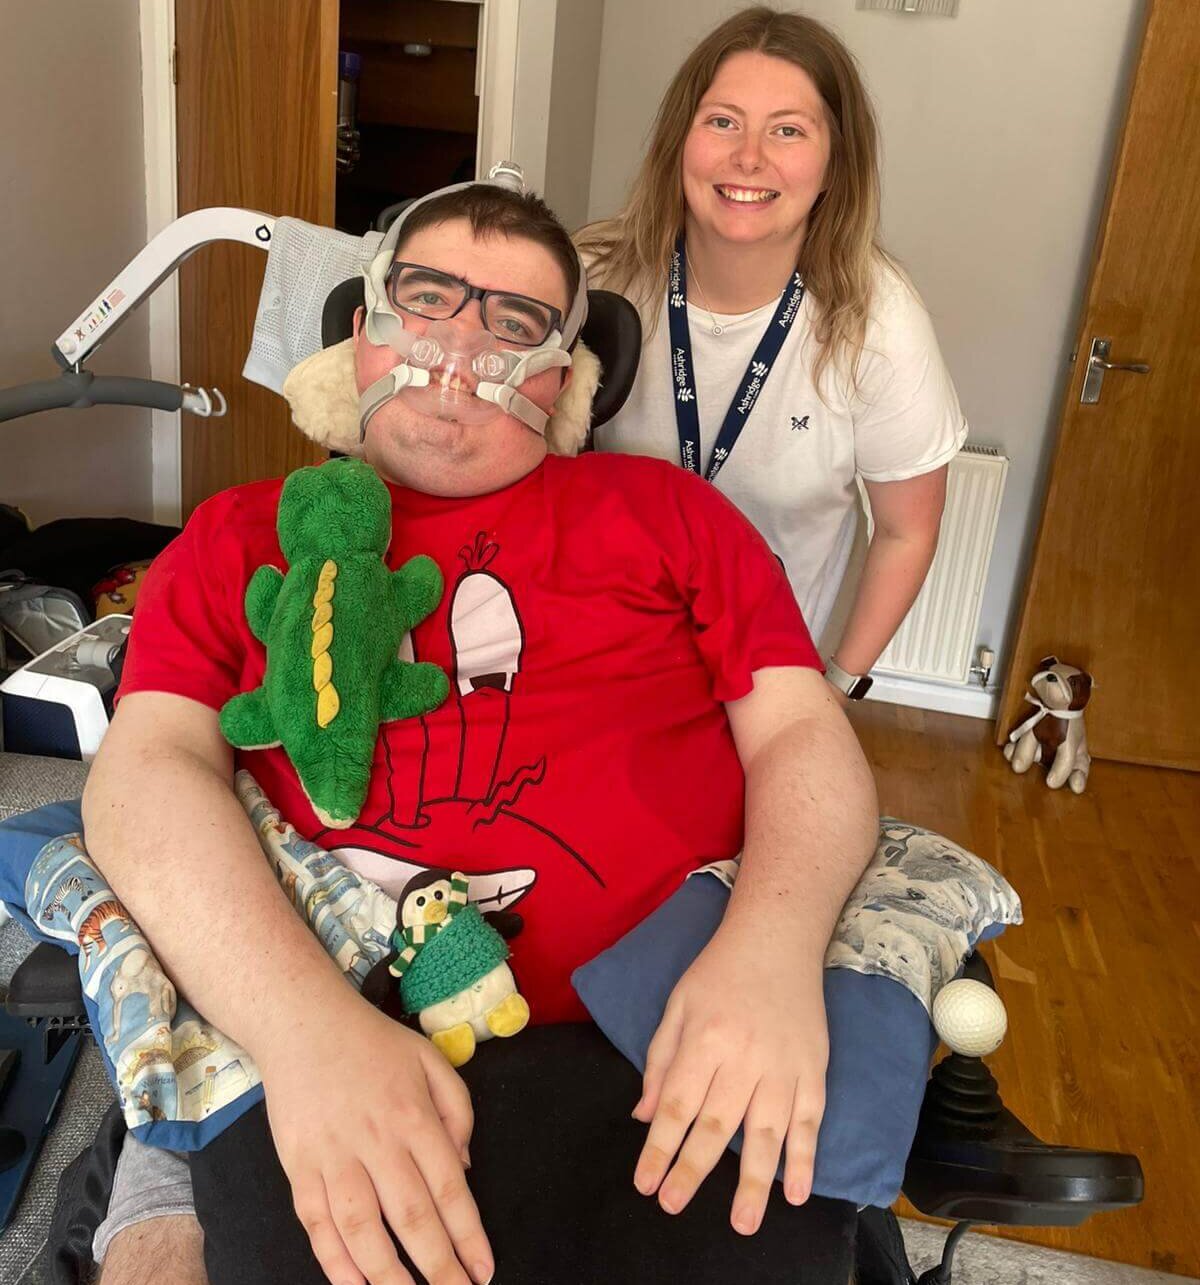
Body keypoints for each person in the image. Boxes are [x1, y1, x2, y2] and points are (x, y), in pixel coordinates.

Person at [81, 180, 878, 1285]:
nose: (458, 342)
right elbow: (142, 776)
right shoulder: (234, 538)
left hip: (666, 1046)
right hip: (344, 1046)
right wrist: (307, 1034)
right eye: (426, 296)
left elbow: (801, 734)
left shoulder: (671, 516)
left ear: (561, 378)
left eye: (512, 320)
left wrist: (771, 955)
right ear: (361, 334)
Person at [578, 7, 968, 703]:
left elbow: (908, 531)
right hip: (597, 656)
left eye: (787, 130)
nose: (749, 157)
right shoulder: (593, 276)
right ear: (680, 142)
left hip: (764, 687)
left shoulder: (879, 321)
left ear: (832, 165)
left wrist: (835, 688)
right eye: (723, 121)